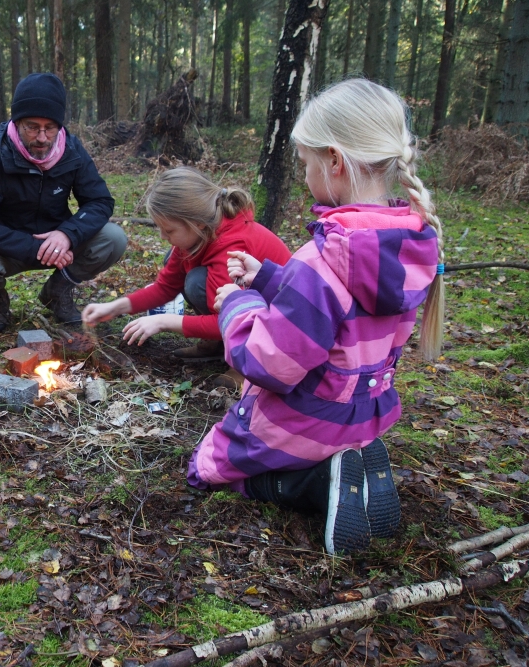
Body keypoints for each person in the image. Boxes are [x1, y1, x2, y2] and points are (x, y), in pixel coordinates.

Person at [188, 79, 445, 555]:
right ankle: (350, 461)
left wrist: (237, 305)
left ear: (333, 160)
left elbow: (267, 365)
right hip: (366, 416)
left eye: (305, 163)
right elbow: (343, 312)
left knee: (206, 465)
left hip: (307, 422)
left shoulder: (322, 258)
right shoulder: (410, 243)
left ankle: (315, 483)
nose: (305, 174)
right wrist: (268, 280)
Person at [0, 72, 127, 332]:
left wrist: (67, 234)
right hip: (7, 248)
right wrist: (36, 247)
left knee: (113, 237)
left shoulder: (71, 150)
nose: (42, 137)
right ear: (17, 122)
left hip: (60, 243)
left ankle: (57, 292)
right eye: (32, 127)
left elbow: (100, 201)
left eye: (50, 127)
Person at [81, 167, 292, 372]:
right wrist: (114, 308)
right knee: (187, 272)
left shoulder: (231, 249)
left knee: (197, 280)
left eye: (169, 230)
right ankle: (218, 345)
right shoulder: (196, 236)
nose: (163, 237)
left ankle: (247, 364)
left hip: (281, 324)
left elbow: (231, 317)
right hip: (245, 312)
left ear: (197, 223)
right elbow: (165, 287)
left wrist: (164, 321)